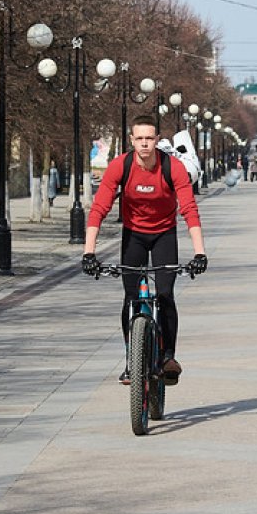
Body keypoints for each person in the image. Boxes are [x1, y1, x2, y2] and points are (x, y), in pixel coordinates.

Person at [81, 115, 207, 386]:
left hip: (164, 235)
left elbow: (189, 210)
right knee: (131, 299)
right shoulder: (120, 166)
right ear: (132, 140)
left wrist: (199, 253)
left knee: (164, 294)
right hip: (133, 236)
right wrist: (89, 253)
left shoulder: (172, 167)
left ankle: (168, 357)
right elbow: (99, 208)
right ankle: (132, 360)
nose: (145, 144)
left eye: (150, 138)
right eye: (139, 139)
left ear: (157, 140)